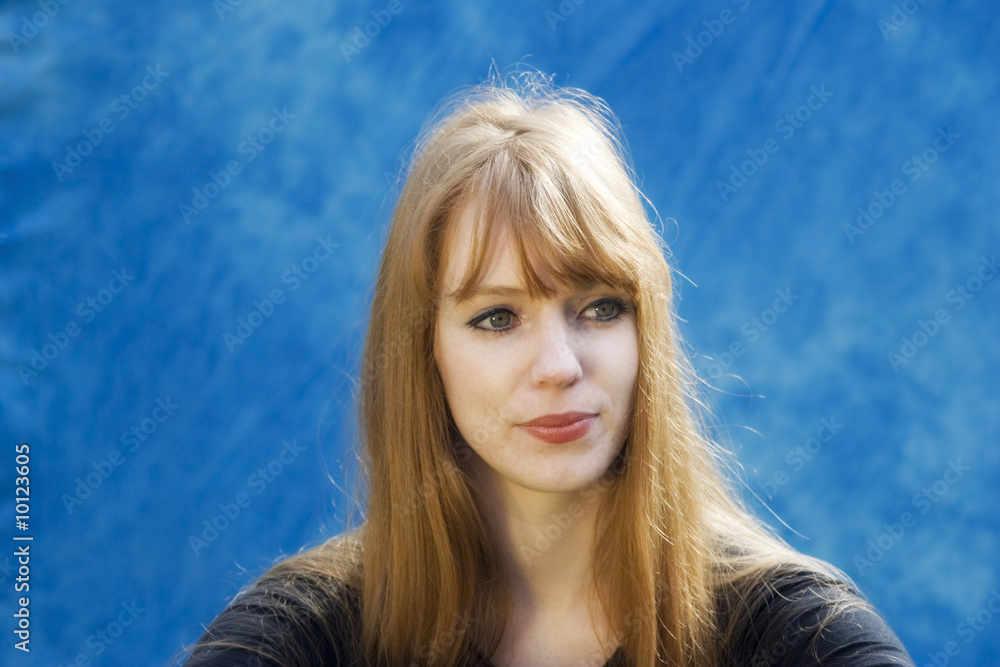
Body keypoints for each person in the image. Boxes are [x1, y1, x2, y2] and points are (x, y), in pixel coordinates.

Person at [184, 74, 914, 666]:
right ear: (423, 350)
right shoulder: (300, 638)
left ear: (647, 332)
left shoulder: (800, 635)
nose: (560, 366)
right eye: (497, 317)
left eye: (600, 308)